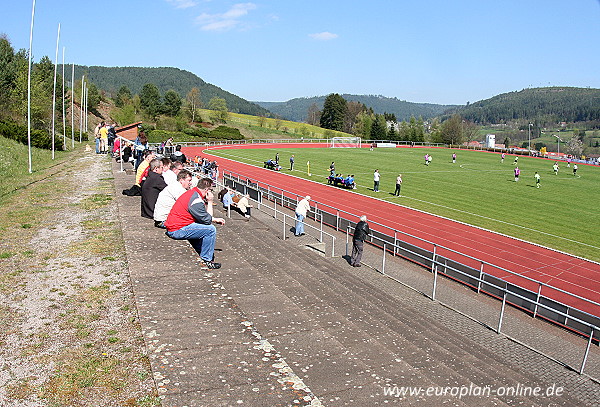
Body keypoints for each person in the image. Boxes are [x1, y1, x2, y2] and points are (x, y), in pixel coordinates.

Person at [165, 177, 225, 270]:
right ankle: (207, 260)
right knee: (210, 230)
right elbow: (207, 219)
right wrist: (210, 201)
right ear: (207, 190)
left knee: (201, 227)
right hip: (177, 229)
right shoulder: (196, 200)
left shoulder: (193, 193)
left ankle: (200, 250)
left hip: (175, 226)